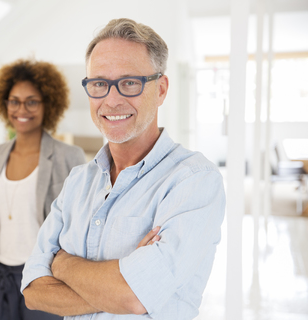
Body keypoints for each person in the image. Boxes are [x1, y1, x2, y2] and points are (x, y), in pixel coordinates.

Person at [21, 18, 226, 320]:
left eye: (130, 82)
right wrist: (118, 283)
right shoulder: (78, 182)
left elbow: (132, 296)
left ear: (161, 89)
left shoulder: (194, 181)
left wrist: (63, 265)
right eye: (99, 84)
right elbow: (34, 292)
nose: (112, 100)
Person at [0, 59, 85, 320]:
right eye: (14, 101)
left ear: (48, 105)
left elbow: (79, 229)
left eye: (32, 101)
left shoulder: (69, 156)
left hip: (44, 277)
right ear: (5, 104)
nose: (22, 109)